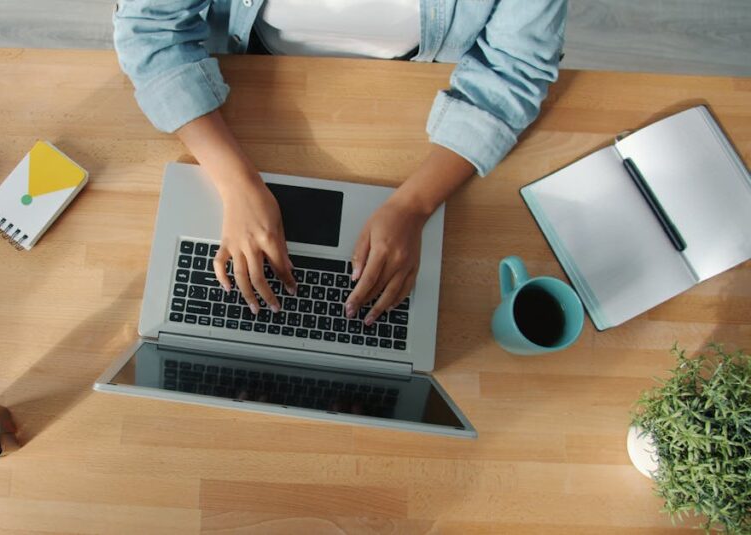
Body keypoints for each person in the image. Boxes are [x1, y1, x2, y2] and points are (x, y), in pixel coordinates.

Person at [114, 0, 567, 327]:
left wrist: (413, 207)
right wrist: (235, 185)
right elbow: (150, 31)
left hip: (410, 90)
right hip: (249, 80)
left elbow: (514, 70)